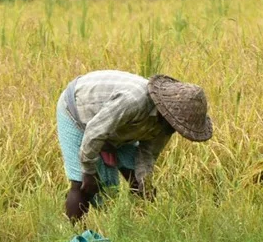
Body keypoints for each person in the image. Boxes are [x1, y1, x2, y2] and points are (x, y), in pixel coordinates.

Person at [57, 70, 213, 221]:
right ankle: (76, 237)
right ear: (166, 113)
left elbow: (147, 154)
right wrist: (89, 171)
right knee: (82, 183)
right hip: (78, 111)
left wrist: (146, 185)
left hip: (118, 127)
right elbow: (95, 133)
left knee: (137, 180)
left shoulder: (165, 126)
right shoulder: (133, 101)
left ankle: (129, 226)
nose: (175, 130)